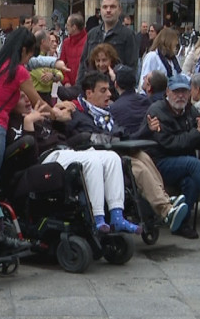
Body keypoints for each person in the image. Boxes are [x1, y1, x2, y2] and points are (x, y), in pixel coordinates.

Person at [73, 71, 188, 231]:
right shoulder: (81, 116)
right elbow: (100, 139)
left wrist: (147, 129)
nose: (108, 94)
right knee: (136, 166)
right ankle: (165, 210)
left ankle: (165, 200)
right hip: (101, 159)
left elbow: (126, 137)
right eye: (103, 90)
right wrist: (119, 138)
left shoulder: (106, 114)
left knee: (143, 155)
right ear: (89, 93)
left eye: (108, 89)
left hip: (116, 151)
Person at [12, 94, 141, 234]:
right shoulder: (14, 123)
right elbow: (28, 159)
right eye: (21, 97)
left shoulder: (39, 114)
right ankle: (98, 219)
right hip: (46, 158)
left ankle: (117, 216)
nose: (26, 100)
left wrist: (59, 118)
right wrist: (28, 124)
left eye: (27, 96)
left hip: (66, 150)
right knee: (92, 162)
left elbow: (62, 136)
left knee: (112, 158)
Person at [145, 74, 200, 239]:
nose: (180, 96)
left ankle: (181, 223)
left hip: (183, 163)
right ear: (167, 92)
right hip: (159, 163)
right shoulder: (157, 111)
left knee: (191, 180)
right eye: (176, 91)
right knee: (192, 164)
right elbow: (171, 143)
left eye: (184, 91)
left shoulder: (190, 110)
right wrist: (197, 132)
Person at [0, 28, 51, 186]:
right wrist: (56, 114)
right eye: (29, 56)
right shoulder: (18, 72)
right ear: (24, 50)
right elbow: (39, 103)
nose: (27, 61)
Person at [83, 0, 140, 74]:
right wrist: (80, 85)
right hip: (93, 84)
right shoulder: (92, 33)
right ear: (101, 10)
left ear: (119, 10)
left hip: (115, 85)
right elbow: (83, 64)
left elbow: (132, 68)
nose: (108, 10)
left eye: (112, 7)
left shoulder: (128, 35)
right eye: (105, 7)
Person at [59, 13, 87, 86]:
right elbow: (62, 64)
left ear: (74, 27)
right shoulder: (66, 42)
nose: (66, 27)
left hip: (85, 86)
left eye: (68, 25)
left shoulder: (88, 41)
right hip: (70, 86)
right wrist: (66, 81)